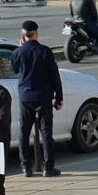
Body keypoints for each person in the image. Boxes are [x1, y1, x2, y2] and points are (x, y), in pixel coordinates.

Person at [12, 21, 64, 177]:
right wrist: (59, 97)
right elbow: (54, 75)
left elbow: (15, 70)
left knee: (24, 131)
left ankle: (26, 167)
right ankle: (48, 167)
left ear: (22, 34)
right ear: (36, 33)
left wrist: (20, 48)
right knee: (46, 132)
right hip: (44, 97)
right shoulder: (45, 51)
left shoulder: (17, 52)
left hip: (25, 97)